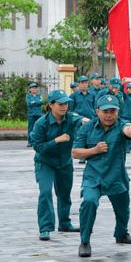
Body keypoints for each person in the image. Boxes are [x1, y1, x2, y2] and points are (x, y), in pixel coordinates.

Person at [71, 93, 131, 258]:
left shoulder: (120, 125)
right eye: (105, 111)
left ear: (117, 112)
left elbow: (129, 129)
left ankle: (121, 234)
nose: (109, 115)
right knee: (89, 203)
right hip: (94, 177)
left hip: (116, 175)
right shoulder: (87, 128)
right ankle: (85, 241)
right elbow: (75, 152)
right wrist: (94, 150)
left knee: (123, 209)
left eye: (113, 111)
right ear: (97, 111)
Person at [30, 90, 87, 240]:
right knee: (45, 192)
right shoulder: (41, 123)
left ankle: (64, 223)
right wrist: (56, 140)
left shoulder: (70, 117)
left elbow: (81, 120)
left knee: (64, 193)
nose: (64, 107)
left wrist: (89, 121)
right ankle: (45, 227)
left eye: (66, 103)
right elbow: (38, 147)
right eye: (60, 104)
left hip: (64, 162)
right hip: (45, 163)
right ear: (51, 105)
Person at [25, 81, 44, 147]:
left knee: (39, 128)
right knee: (31, 128)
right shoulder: (28, 96)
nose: (34, 89)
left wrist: (34, 102)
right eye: (32, 88)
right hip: (31, 115)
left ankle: (39, 141)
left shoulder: (39, 95)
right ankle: (30, 142)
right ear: (30, 89)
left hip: (39, 114)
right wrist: (37, 102)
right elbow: (29, 104)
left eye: (35, 88)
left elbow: (42, 102)